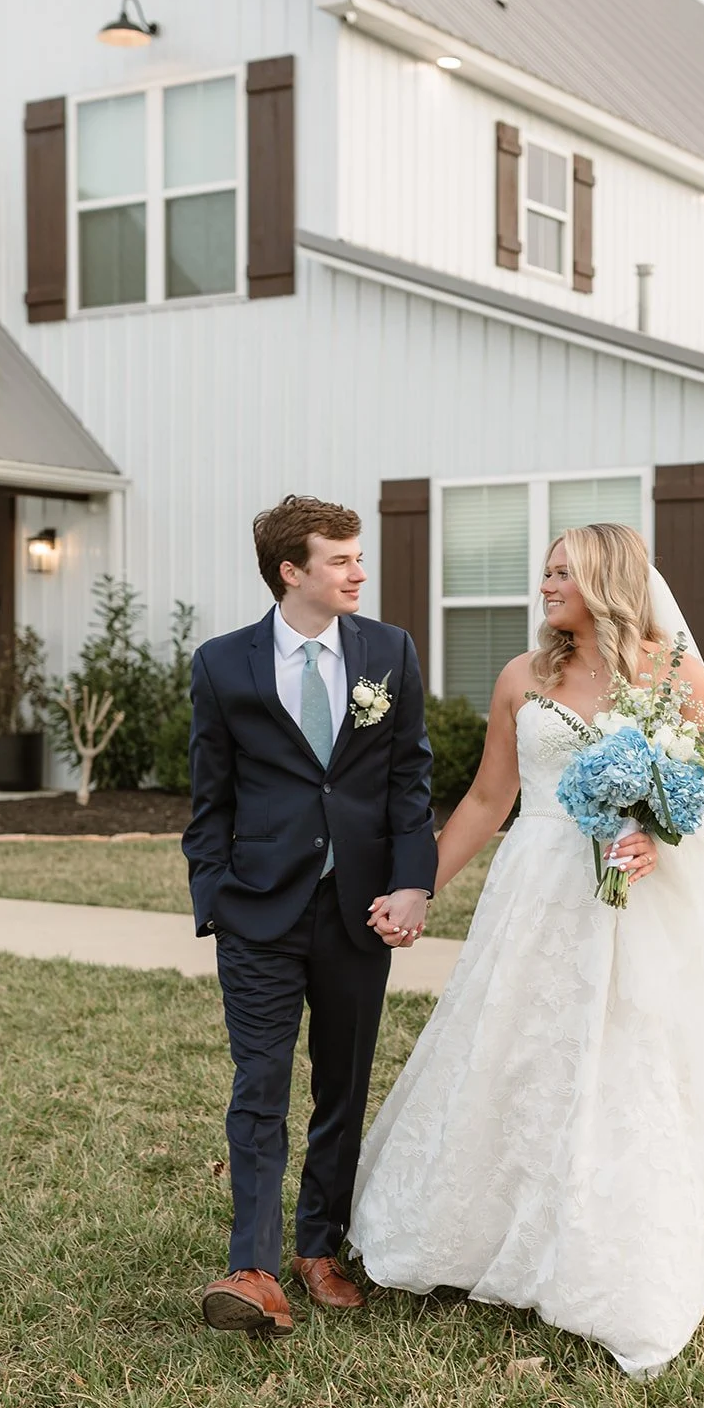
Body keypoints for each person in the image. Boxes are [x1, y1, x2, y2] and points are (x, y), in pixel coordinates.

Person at [351, 522, 704, 1378]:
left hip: (635, 903)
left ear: (606, 580)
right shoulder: (522, 676)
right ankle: (480, 1233)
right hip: (537, 890)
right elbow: (487, 800)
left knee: (629, 1060)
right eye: (544, 572)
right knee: (518, 1050)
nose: (544, 586)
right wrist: (418, 886)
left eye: (561, 573)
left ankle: (619, 1258)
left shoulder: (668, 671)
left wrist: (658, 833)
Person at [184, 494, 436, 1339]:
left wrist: (412, 884)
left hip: (357, 908)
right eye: (340, 559)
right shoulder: (224, 664)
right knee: (259, 1086)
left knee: (342, 1084)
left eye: (358, 556)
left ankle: (318, 1247)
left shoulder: (388, 651)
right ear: (291, 571)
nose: (358, 571)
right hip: (258, 910)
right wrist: (216, 899)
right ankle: (252, 1268)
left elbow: (408, 780)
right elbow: (209, 797)